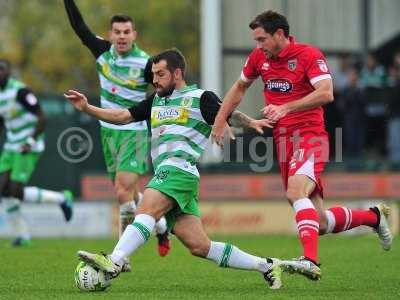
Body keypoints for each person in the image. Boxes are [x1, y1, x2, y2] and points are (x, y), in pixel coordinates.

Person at [64, 49, 302, 290]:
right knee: (200, 246)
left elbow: (228, 114)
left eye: (160, 74)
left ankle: (114, 261)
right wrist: (87, 108)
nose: (154, 79)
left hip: (179, 169)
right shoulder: (155, 100)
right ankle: (267, 265)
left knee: (146, 207)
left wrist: (250, 122)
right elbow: (123, 116)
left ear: (177, 73)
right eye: (153, 74)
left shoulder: (200, 98)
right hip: (173, 176)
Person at [212, 11, 393, 280]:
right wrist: (219, 120)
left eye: (262, 39)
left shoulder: (308, 55)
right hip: (284, 143)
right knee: (319, 222)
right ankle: (373, 217)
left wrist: (285, 107)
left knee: (295, 191)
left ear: (280, 35)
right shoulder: (259, 58)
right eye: (256, 40)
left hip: (310, 136)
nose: (258, 46)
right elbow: (239, 87)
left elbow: (326, 92)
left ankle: (310, 260)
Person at [63, 0, 170, 265]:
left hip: (132, 130)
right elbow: (79, 27)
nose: (121, 36)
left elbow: (164, 88)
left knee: (123, 192)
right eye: (117, 32)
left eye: (126, 32)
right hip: (107, 131)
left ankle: (121, 257)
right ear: (111, 35)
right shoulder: (102, 52)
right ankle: (161, 224)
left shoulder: (146, 63)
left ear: (134, 35)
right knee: (128, 193)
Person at [0, 59, 74, 247]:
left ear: (8, 72)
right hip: (11, 145)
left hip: (28, 144)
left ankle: (62, 198)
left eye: (2, 69)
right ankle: (22, 236)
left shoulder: (20, 91)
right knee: (3, 189)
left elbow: (42, 116)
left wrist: (30, 141)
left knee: (15, 190)